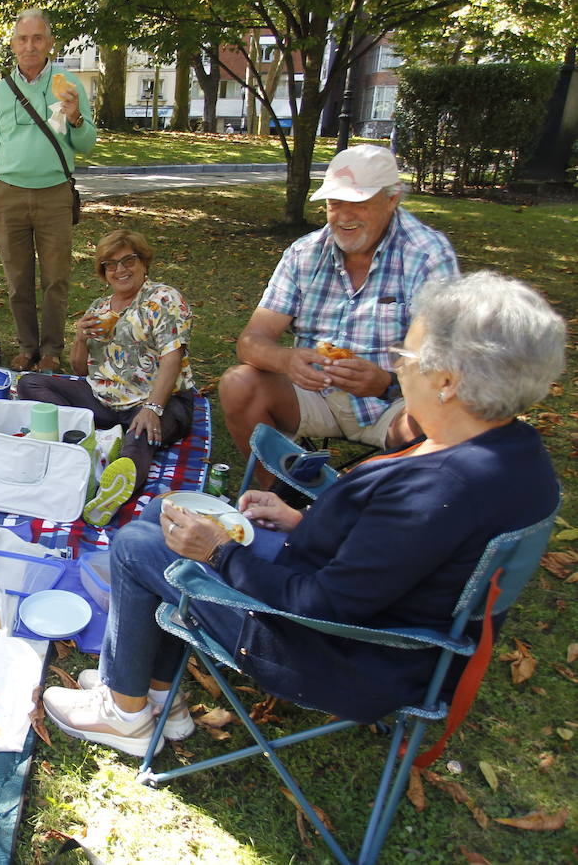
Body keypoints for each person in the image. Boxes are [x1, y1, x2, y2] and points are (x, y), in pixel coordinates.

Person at [42, 271, 565, 756]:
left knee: (137, 546)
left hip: (331, 648)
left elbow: (326, 604)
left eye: (407, 355)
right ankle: (156, 693)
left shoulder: (441, 491)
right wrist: (303, 522)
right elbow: (403, 557)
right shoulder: (513, 452)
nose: (398, 367)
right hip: (360, 607)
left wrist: (219, 552)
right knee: (164, 509)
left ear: (447, 381)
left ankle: (124, 712)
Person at [218, 144, 459, 458]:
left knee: (442, 418)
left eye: (357, 204)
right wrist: (285, 360)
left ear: (392, 199)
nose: (343, 217)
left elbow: (446, 361)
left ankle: (377, 499)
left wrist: (387, 382)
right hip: (315, 393)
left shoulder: (427, 254)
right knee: (238, 384)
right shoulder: (305, 253)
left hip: (396, 404)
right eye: (334, 203)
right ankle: (281, 496)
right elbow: (251, 340)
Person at [16, 229, 197, 525]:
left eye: (128, 260)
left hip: (156, 399)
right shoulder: (99, 308)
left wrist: (153, 408)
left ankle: (107, 496)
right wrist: (80, 338)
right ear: (103, 272)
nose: (120, 270)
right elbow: (80, 372)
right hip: (105, 398)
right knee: (29, 383)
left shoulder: (163, 298)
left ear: (144, 263)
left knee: (139, 441)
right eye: (110, 265)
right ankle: (96, 437)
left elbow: (172, 357)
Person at [0, 9, 97, 373]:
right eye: (23, 39)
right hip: (7, 198)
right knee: (18, 280)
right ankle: (27, 346)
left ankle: (51, 350)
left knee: (56, 279)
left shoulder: (67, 84)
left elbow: (87, 144)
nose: (30, 46)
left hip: (55, 195)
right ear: (13, 45)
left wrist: (75, 118)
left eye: (37, 38)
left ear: (50, 43)